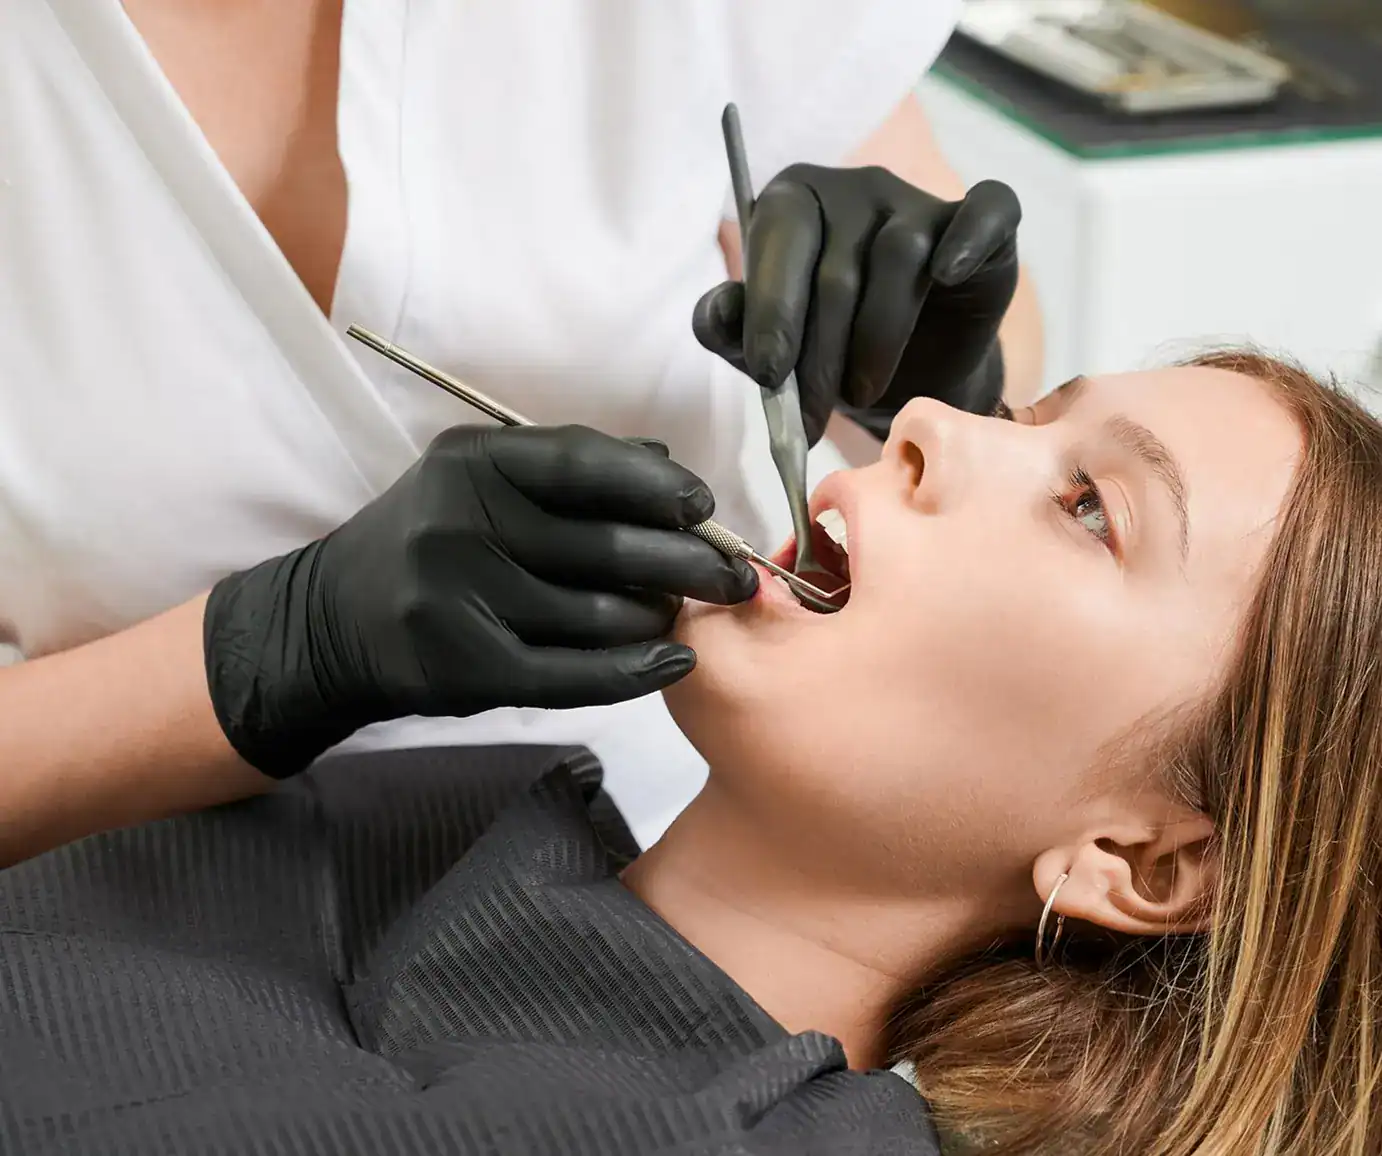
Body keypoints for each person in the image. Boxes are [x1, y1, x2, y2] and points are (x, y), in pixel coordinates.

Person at [4, 350, 1379, 1155]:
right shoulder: (412, 822)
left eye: (1087, 506)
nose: (921, 421)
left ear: (1139, 861)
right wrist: (265, 657)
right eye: (1026, 420)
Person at [1, 0, 1042, 856]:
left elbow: (989, 371)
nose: (894, 476)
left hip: (686, 872)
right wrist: (271, 656)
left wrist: (927, 363)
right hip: (136, 924)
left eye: (1087, 506)